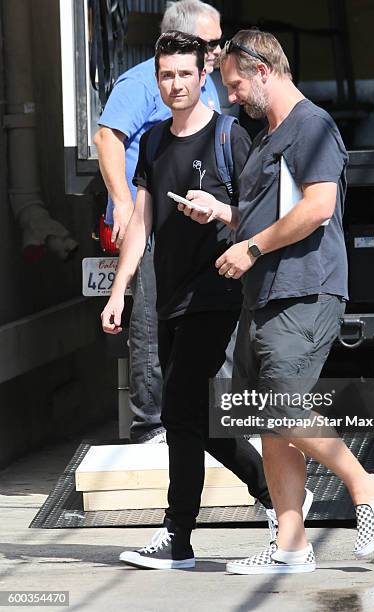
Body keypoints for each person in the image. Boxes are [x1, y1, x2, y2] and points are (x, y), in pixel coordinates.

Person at [182, 29, 374, 575]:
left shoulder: (312, 125)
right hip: (266, 294)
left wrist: (251, 247)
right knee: (266, 416)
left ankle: (366, 485)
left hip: (304, 289)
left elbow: (319, 207)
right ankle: (291, 543)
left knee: (280, 405)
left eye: (234, 85)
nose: (230, 97)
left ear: (263, 70)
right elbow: (273, 213)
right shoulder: (268, 136)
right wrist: (225, 214)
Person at [101, 30, 308, 571]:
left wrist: (218, 209)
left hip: (215, 293)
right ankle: (272, 491)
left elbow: (262, 215)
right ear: (157, 79)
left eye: (185, 74)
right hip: (168, 296)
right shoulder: (151, 143)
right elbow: (140, 223)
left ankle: (179, 537)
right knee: (195, 415)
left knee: (179, 410)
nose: (175, 84)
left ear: (202, 77)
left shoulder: (231, 136)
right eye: (166, 75)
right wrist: (120, 289)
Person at [93, 0, 223, 444]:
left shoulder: (207, 84)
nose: (219, 51)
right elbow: (106, 138)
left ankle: (206, 420)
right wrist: (124, 205)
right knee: (151, 324)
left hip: (198, 226)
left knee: (202, 325)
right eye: (212, 42)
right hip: (150, 224)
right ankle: (151, 426)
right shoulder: (141, 84)